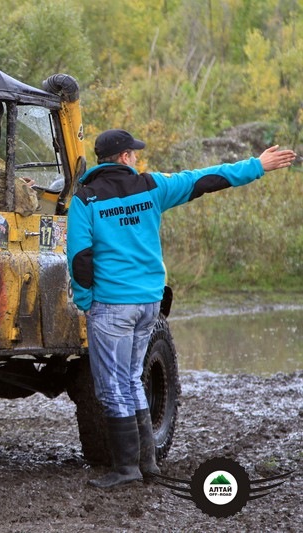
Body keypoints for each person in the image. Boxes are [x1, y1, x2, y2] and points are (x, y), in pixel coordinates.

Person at [66, 128, 296, 489]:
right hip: (148, 303)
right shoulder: (152, 186)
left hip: (111, 305)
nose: (138, 158)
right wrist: (257, 165)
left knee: (112, 387)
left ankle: (126, 469)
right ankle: (148, 464)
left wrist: (85, 302)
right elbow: (204, 179)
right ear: (124, 157)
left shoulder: (85, 199)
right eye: (134, 153)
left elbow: (80, 258)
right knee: (130, 380)